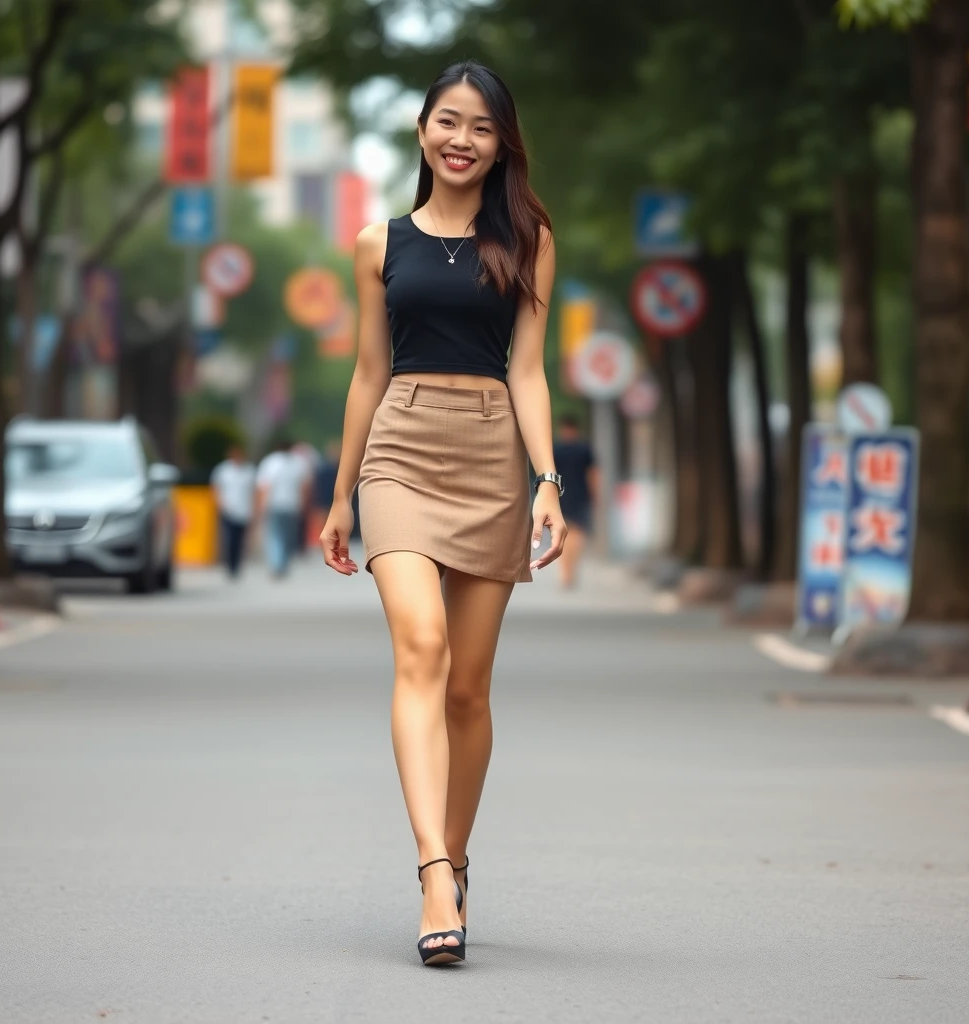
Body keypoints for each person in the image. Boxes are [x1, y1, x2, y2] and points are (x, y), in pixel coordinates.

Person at [319, 60, 566, 966]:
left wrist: (549, 480)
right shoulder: (377, 244)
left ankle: (457, 860)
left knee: (468, 686)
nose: (462, 140)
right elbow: (367, 375)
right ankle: (432, 873)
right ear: (421, 130)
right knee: (420, 647)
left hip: (494, 452)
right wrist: (342, 495)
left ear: (503, 143)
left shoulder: (530, 236)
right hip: (402, 449)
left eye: (483, 127)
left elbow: (530, 369)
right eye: (447, 122)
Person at [553, 413, 599, 589]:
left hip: (562, 496)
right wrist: (595, 495)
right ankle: (570, 571)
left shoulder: (556, 450)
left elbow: (551, 474)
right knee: (577, 536)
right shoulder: (584, 449)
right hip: (581, 496)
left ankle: (566, 573)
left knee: (562, 536)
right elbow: (593, 474)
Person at [255, 439, 312, 578]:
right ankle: (282, 563)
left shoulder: (270, 462)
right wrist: (304, 504)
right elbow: (304, 486)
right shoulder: (299, 463)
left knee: (275, 535)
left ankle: (277, 563)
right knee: (288, 536)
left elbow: (264, 485)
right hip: (293, 504)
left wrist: (261, 505)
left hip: (274, 504)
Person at [210, 443, 255, 579]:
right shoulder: (223, 470)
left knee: (239, 540)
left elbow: (254, 491)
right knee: (229, 539)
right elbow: (216, 488)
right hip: (228, 510)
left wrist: (254, 509)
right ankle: (229, 564)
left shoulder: (248, 471)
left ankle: (236, 565)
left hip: (243, 511)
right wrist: (220, 504)